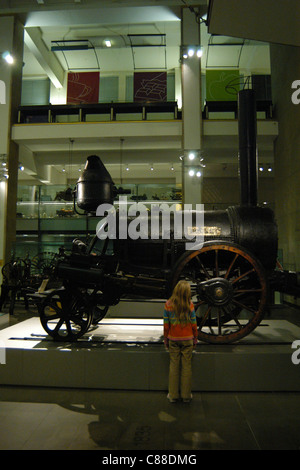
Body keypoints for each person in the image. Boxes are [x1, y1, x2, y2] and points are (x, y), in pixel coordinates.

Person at [163, 280, 198, 403]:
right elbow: (194, 324)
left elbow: (166, 325)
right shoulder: (190, 305)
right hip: (187, 339)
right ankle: (186, 396)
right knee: (186, 367)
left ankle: (173, 395)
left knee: (174, 366)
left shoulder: (168, 304)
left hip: (173, 339)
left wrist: (165, 338)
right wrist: (195, 337)